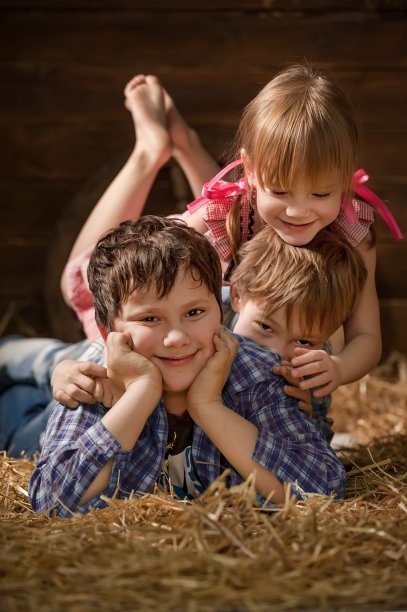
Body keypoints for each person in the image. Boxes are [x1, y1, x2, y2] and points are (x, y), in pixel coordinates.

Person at [61, 65, 402, 407]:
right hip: (219, 293)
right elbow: (149, 252)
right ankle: (151, 150)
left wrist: (339, 368)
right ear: (251, 171)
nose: (299, 211)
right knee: (76, 280)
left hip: (274, 337)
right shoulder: (224, 210)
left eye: (321, 195)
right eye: (281, 191)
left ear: (344, 180)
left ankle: (187, 144)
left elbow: (367, 337)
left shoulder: (353, 234)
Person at [28, 216, 346, 518]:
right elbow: (50, 502)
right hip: (27, 424)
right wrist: (141, 392)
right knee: (26, 389)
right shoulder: (96, 380)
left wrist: (207, 406)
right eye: (150, 318)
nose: (177, 338)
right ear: (108, 331)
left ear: (220, 314)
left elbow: (323, 489)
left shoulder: (257, 374)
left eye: (194, 312)